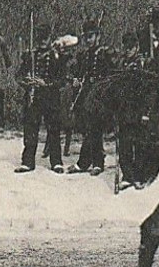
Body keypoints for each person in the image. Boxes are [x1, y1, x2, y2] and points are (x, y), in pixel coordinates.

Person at [16, 29, 70, 174]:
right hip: (33, 98)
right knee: (30, 129)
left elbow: (62, 80)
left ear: (50, 38)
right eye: (40, 38)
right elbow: (19, 76)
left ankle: (56, 162)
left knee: (53, 129)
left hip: (51, 98)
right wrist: (28, 82)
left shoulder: (57, 56)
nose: (42, 41)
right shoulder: (30, 56)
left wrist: (45, 83)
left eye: (45, 38)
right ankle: (27, 161)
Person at [72, 22, 113, 174]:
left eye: (91, 37)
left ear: (98, 36)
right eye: (86, 37)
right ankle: (89, 161)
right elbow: (78, 71)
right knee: (88, 128)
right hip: (86, 96)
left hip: (101, 97)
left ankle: (94, 163)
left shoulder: (105, 54)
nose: (88, 40)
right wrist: (76, 79)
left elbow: (111, 75)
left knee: (95, 129)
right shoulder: (84, 55)